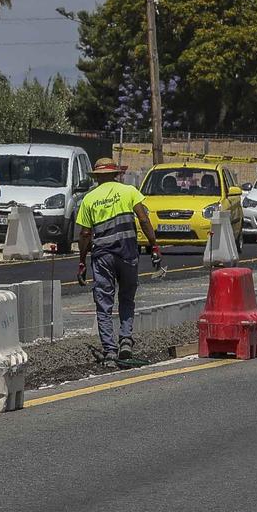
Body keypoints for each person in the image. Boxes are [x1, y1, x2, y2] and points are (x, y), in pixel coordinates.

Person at [75, 157, 160, 369]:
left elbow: (85, 233)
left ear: (97, 177)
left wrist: (82, 262)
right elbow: (143, 219)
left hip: (103, 256)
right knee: (127, 298)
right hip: (128, 254)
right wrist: (154, 245)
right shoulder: (129, 191)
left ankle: (110, 352)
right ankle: (125, 342)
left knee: (104, 304)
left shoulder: (89, 199)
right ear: (115, 174)